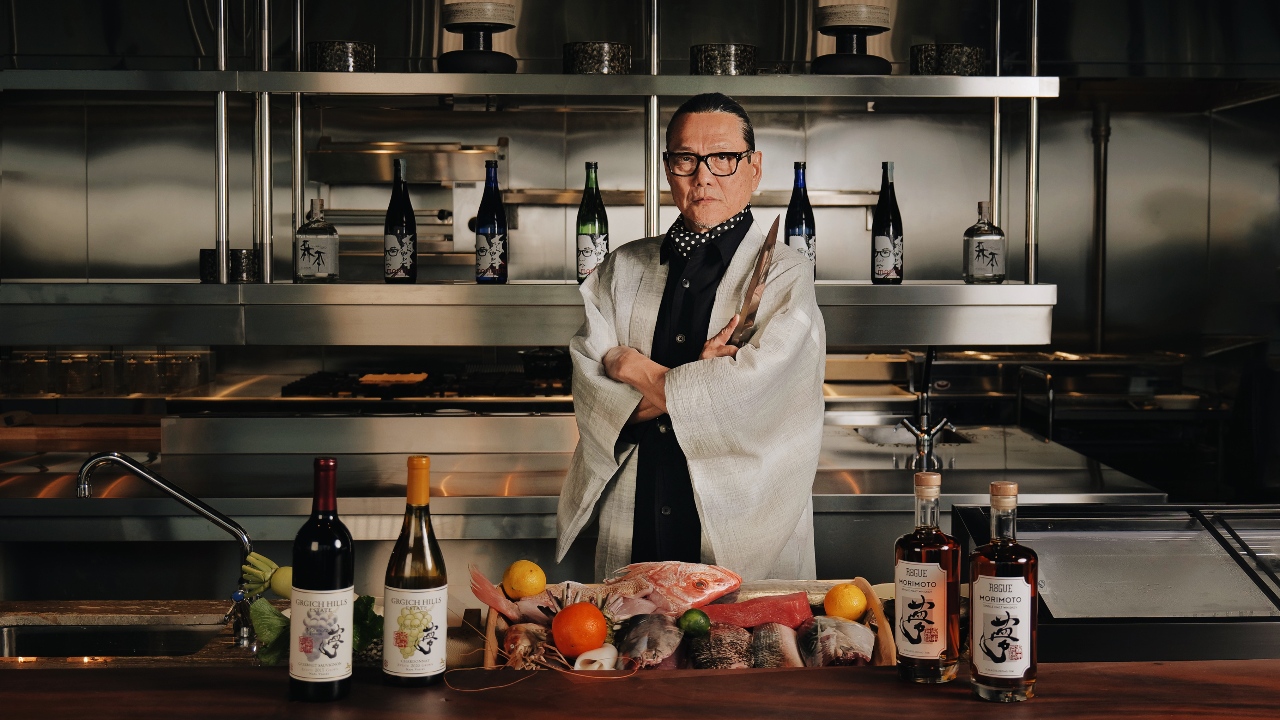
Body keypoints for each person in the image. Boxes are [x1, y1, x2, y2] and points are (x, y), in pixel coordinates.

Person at [556, 93, 826, 582]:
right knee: (629, 630)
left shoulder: (786, 275)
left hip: (739, 533)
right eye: (686, 158)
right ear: (668, 168)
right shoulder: (622, 268)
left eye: (723, 158)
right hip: (636, 520)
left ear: (754, 168)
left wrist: (632, 366)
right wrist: (700, 381)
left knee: (744, 629)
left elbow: (754, 398)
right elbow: (591, 397)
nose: (703, 176)